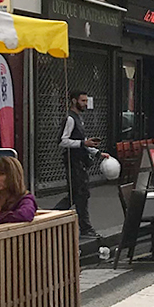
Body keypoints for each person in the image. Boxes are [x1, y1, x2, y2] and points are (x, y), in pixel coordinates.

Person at [58, 90, 101, 238]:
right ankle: (86, 228)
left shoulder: (78, 118)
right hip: (73, 162)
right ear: (74, 101)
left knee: (75, 195)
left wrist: (96, 152)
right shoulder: (70, 119)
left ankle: (53, 217)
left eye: (86, 101)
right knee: (80, 195)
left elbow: (83, 141)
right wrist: (83, 143)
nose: (85, 104)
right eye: (82, 101)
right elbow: (62, 141)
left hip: (80, 161)